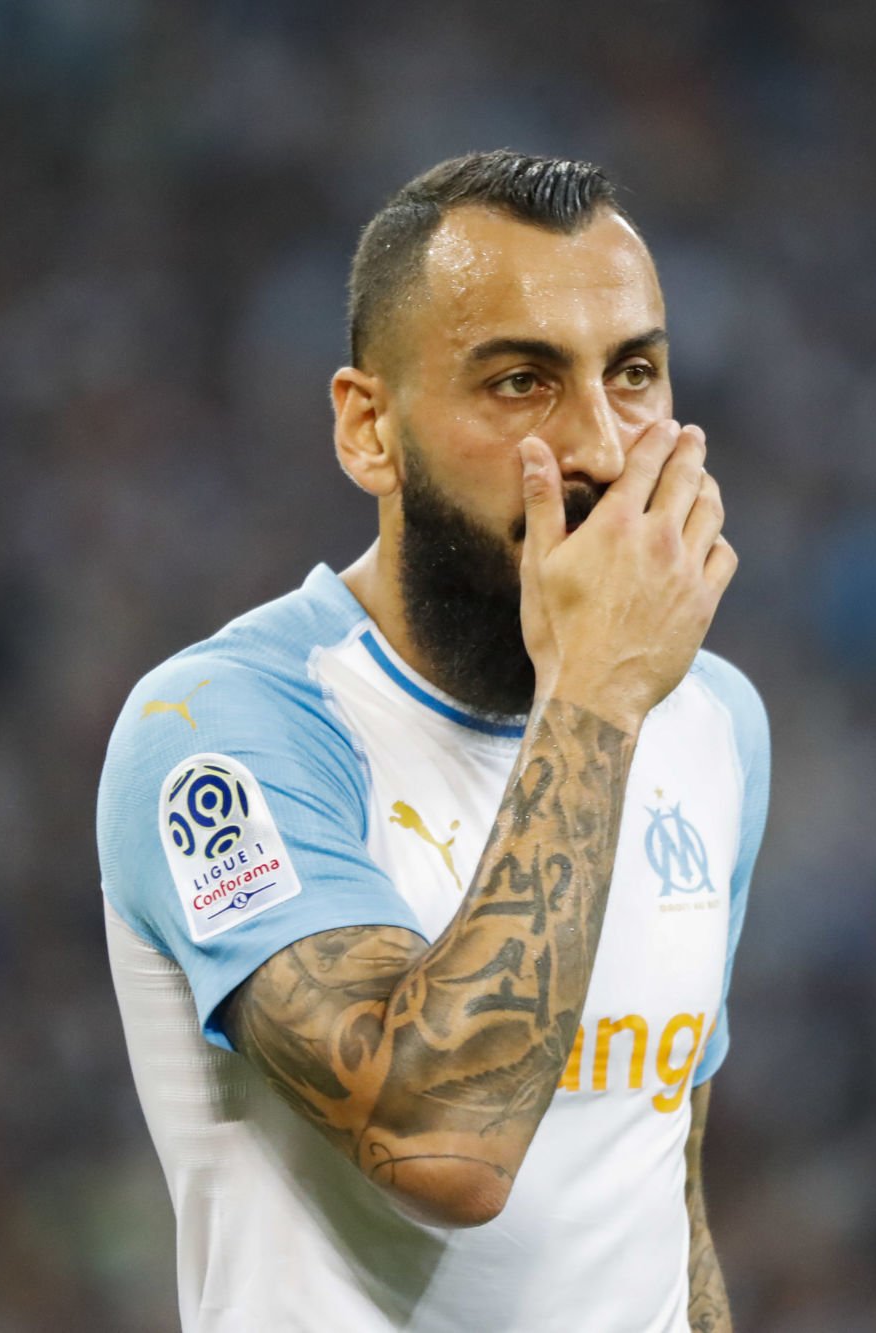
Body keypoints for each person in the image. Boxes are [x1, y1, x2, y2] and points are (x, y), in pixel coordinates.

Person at [97, 150, 768, 1333]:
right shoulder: (222, 730)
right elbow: (443, 1142)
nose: (600, 447)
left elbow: (663, 1180)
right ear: (369, 428)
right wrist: (595, 697)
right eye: (520, 382)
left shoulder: (712, 721)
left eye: (633, 374)